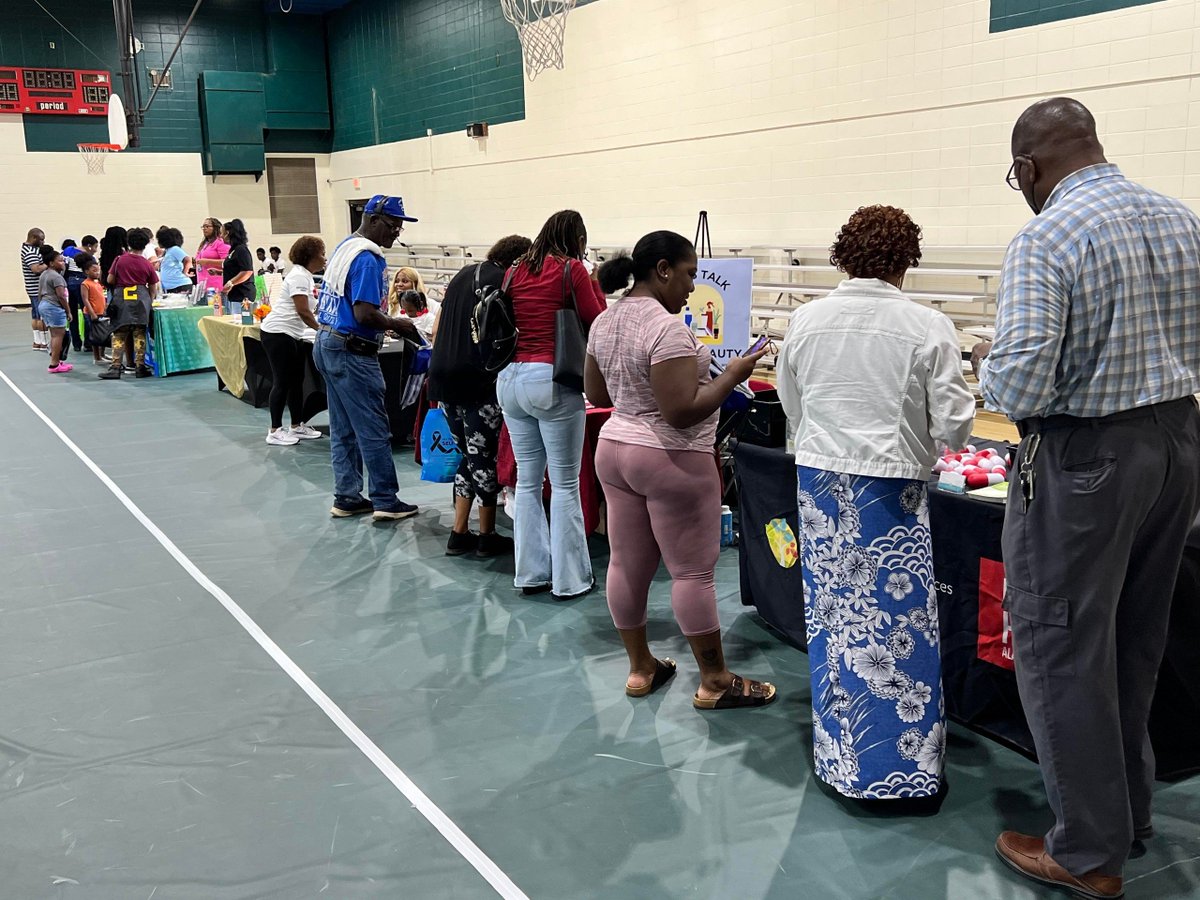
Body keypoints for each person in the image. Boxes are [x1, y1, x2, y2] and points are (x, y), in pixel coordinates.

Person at [967, 98, 1200, 900]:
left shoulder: (1048, 235)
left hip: (1086, 455)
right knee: (1135, 637)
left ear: (1028, 169)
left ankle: (1086, 850)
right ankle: (1125, 812)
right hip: (1175, 443)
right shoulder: (1181, 218)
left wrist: (984, 359)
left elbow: (1023, 382)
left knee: (1058, 643)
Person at [777, 205, 975, 800]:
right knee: (896, 631)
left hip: (818, 480)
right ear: (905, 260)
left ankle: (838, 758)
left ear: (844, 255)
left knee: (831, 618)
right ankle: (901, 772)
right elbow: (956, 423)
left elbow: (792, 403)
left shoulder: (806, 320)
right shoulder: (926, 325)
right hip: (888, 488)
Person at [585, 231, 777, 709]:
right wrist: (734, 373)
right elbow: (681, 412)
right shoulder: (668, 329)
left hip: (615, 449)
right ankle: (714, 680)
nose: (692, 286)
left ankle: (640, 667)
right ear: (664, 269)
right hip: (670, 456)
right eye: (690, 273)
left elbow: (600, 395)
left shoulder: (605, 321)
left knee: (627, 565)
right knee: (693, 573)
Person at [498, 209, 608, 599]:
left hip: (510, 380)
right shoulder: (571, 270)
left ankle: (530, 573)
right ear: (577, 238)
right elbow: (598, 320)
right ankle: (570, 579)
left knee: (527, 483)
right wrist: (593, 280)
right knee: (564, 485)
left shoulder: (514, 271)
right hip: (551, 380)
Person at [313, 194, 421, 520]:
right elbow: (364, 313)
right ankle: (385, 499)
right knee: (373, 427)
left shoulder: (345, 247)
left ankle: (347, 496)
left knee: (343, 428)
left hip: (328, 341)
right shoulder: (368, 259)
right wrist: (397, 324)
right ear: (373, 219)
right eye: (392, 226)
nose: (395, 234)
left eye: (399, 229)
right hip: (352, 349)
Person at [428, 234, 531, 558]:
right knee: (483, 456)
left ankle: (459, 532)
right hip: (477, 381)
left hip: (443, 377)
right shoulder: (503, 280)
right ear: (517, 261)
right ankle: (487, 535)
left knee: (468, 455)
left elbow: (439, 324)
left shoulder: (462, 274)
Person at [260, 236, 326, 446]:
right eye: (321, 254)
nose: (325, 258)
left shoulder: (306, 276)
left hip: (293, 335)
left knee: (296, 382)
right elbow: (303, 312)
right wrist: (322, 331)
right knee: (282, 382)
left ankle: (296, 425)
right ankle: (274, 430)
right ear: (310, 256)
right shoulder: (299, 276)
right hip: (278, 334)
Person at [101, 227, 158, 380]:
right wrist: (149, 301)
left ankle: (115, 366)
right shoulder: (146, 264)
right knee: (140, 333)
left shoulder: (119, 260)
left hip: (122, 301)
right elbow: (153, 286)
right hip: (140, 301)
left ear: (128, 242)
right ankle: (140, 366)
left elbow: (109, 280)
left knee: (119, 333)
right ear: (145, 244)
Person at [37, 246, 72, 374]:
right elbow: (61, 296)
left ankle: (56, 359)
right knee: (58, 335)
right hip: (53, 307)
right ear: (51, 263)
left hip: (44, 305)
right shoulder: (57, 277)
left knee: (54, 335)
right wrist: (68, 311)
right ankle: (54, 364)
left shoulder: (44, 274)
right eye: (60, 261)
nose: (63, 263)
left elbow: (39, 292)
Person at [221, 220, 255, 316]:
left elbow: (247, 271)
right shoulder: (233, 250)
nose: (220, 236)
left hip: (242, 295)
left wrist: (231, 283)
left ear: (227, 233)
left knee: (240, 322)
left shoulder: (241, 249)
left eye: (222, 233)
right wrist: (219, 272)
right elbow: (234, 270)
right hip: (234, 295)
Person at [21, 228, 48, 351]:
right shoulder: (30, 252)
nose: (43, 242)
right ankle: (43, 342)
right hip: (36, 288)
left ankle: (37, 341)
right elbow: (36, 269)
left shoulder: (28, 249)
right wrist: (48, 263)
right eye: (41, 239)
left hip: (33, 288)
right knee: (41, 316)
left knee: (36, 315)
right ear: (33, 238)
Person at [79, 256, 107, 365]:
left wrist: (105, 308)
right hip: (92, 313)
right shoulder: (85, 284)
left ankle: (102, 354)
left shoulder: (97, 283)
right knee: (95, 336)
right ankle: (97, 357)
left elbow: (101, 297)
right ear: (86, 271)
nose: (97, 272)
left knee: (103, 334)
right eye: (94, 270)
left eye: (98, 270)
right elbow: (85, 300)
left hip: (101, 312)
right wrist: (92, 313)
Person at [194, 218, 228, 294]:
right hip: (203, 286)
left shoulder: (220, 242)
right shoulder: (204, 244)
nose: (204, 229)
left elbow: (227, 262)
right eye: (203, 227)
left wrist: (207, 262)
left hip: (216, 286)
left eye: (207, 226)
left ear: (215, 228)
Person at [156, 227, 193, 295]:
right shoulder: (167, 252)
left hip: (180, 285)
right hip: (170, 287)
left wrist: (185, 271)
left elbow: (187, 259)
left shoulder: (174, 249)